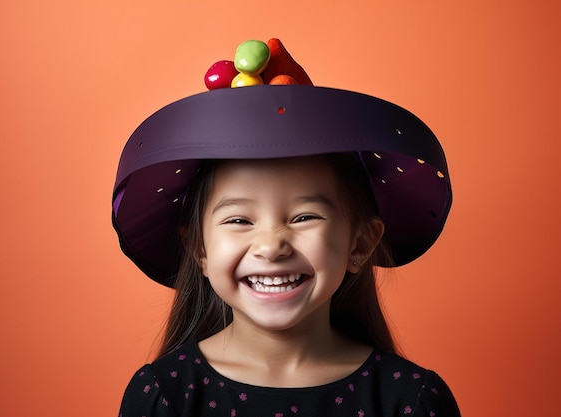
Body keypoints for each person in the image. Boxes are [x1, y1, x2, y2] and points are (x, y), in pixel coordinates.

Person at [112, 39, 460, 416]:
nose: (271, 245)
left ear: (359, 244)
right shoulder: (164, 396)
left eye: (304, 217)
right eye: (239, 220)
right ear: (199, 250)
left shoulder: (410, 400)